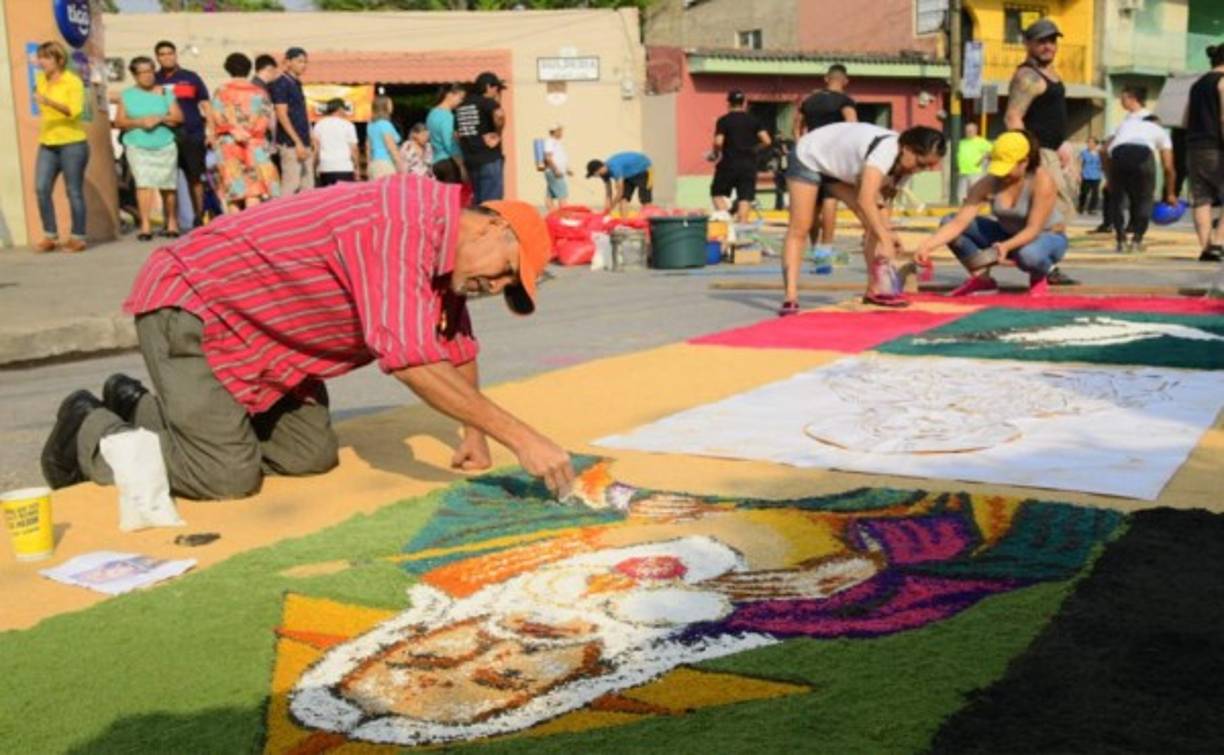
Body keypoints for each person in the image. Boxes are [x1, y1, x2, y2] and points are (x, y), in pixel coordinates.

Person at [39, 177, 576, 501]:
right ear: (490, 229)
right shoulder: (400, 224)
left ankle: (146, 408)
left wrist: (474, 435)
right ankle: (87, 426)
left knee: (309, 454)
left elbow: (455, 342)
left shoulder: (447, 255)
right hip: (195, 308)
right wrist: (522, 438)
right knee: (225, 477)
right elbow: (412, 360)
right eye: (506, 272)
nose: (495, 287)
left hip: (266, 343)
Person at [781, 124, 946, 312]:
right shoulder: (885, 151)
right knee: (800, 226)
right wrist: (884, 236)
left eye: (928, 166)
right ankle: (790, 296)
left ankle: (875, 290)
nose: (921, 170)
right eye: (921, 163)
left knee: (873, 226)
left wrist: (889, 233)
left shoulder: (905, 167)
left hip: (839, 168)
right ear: (907, 149)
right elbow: (866, 199)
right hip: (810, 156)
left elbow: (881, 206)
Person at [914, 131, 1067, 298]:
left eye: (1007, 168)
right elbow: (958, 223)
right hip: (1006, 236)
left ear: (1024, 162)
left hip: (1045, 238)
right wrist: (927, 246)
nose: (1002, 175)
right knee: (948, 220)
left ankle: (1039, 276)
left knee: (1028, 255)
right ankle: (982, 279)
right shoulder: (990, 182)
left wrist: (1006, 246)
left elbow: (1033, 229)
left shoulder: (1041, 180)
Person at [1004, 18, 1077, 285]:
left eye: (1052, 40)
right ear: (1027, 43)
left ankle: (1045, 266)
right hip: (1038, 155)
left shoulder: (1050, 74)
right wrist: (1030, 158)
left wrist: (1062, 145)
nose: (1048, 46)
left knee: (1058, 213)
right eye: (1041, 41)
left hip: (1050, 151)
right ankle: (1043, 267)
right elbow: (1013, 118)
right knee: (1050, 214)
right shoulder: (1028, 76)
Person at [113, 56, 183, 242]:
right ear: (135, 76)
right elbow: (119, 121)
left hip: (165, 143)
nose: (147, 76)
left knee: (168, 184)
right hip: (137, 144)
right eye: (143, 72)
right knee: (143, 183)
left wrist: (159, 118)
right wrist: (139, 122)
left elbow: (178, 117)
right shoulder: (127, 95)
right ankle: (145, 225)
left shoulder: (164, 93)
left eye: (150, 71)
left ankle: (171, 222)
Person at [31, 41, 89, 253]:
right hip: (48, 142)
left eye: (46, 57)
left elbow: (75, 111)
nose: (42, 61)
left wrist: (48, 101)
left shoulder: (72, 81)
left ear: (59, 59)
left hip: (72, 143)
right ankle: (50, 235)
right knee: (41, 188)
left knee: (73, 191)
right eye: (40, 57)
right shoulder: (40, 79)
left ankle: (78, 236)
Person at [793, 64, 857, 255]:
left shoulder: (809, 101)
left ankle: (814, 246)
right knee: (830, 198)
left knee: (813, 202)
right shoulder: (845, 101)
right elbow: (853, 126)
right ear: (845, 81)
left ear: (825, 79)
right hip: (833, 156)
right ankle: (826, 247)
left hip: (809, 155)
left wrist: (800, 145)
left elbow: (796, 126)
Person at [1105, 90, 1176, 254]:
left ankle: (1121, 240)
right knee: (1145, 199)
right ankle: (1137, 240)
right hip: (1142, 155)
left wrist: (1109, 178)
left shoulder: (1125, 124)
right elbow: (1168, 167)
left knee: (1117, 199)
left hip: (1119, 155)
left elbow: (1103, 150)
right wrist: (1170, 193)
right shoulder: (1160, 131)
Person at [211, 53, 279, 213]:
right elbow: (265, 119)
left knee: (234, 190)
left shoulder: (221, 91)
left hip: (228, 144)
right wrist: (249, 133)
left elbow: (216, 116)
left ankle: (234, 230)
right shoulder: (260, 92)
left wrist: (233, 130)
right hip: (254, 143)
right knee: (253, 189)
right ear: (249, 70)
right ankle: (250, 228)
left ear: (228, 69)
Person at [154, 41, 211, 228]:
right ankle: (170, 221)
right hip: (164, 135)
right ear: (157, 57)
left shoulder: (191, 77)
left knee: (195, 178)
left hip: (192, 134)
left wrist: (211, 131)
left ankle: (199, 218)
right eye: (162, 54)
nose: (167, 57)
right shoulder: (153, 80)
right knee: (166, 180)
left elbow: (205, 105)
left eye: (170, 53)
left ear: (176, 54)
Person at [1186, 42, 1224, 262]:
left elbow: (1185, 117)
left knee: (1202, 198)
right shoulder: (1222, 82)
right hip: (1217, 146)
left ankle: (1205, 247)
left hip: (1195, 146)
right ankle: (1218, 243)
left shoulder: (1197, 84)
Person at [710, 90, 771, 222]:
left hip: (728, 164)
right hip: (749, 165)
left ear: (729, 103)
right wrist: (755, 149)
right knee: (745, 197)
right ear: (743, 103)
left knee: (717, 193)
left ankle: (725, 219)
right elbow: (767, 141)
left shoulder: (724, 121)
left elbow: (718, 142)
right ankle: (742, 226)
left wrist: (715, 153)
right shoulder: (754, 120)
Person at [456, 72, 507, 204]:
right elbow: (499, 115)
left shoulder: (462, 105)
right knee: (492, 204)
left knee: (478, 203)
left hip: (471, 160)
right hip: (489, 158)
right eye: (497, 88)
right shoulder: (488, 102)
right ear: (489, 86)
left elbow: (456, 133)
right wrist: (498, 133)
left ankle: (478, 224)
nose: (497, 92)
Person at [270, 46, 313, 195]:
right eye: (300, 61)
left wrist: (310, 136)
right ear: (287, 62)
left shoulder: (297, 83)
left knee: (307, 186)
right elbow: (282, 114)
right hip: (290, 143)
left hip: (304, 141)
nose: (304, 65)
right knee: (291, 184)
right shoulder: (281, 83)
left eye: (305, 62)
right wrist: (297, 142)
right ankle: (280, 216)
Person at [586, 152, 653, 217]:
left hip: (643, 169)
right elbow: (608, 193)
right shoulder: (603, 174)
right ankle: (624, 221)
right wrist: (607, 207)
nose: (598, 176)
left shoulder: (615, 168)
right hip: (628, 174)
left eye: (596, 174)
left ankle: (648, 220)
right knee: (623, 198)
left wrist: (611, 207)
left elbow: (619, 192)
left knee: (644, 198)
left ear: (600, 168)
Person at [311, 98, 360, 187]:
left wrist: (314, 167)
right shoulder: (348, 125)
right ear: (340, 109)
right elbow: (354, 149)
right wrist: (357, 167)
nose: (345, 112)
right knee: (344, 198)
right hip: (344, 168)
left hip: (325, 168)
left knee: (328, 199)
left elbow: (316, 149)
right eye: (344, 109)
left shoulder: (318, 125)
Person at [427, 82, 467, 186]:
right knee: (453, 199)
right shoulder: (447, 116)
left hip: (436, 162)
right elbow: (450, 143)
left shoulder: (432, 113)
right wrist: (461, 166)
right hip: (449, 163)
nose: (461, 102)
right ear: (449, 94)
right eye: (460, 98)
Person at [367, 96, 403, 179]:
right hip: (386, 163)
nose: (392, 106)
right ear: (384, 106)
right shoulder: (385, 124)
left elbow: (368, 147)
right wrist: (400, 165)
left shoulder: (371, 125)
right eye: (390, 104)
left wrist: (369, 165)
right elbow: (391, 147)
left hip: (374, 163)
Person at [956, 123, 992, 203]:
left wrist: (982, 159)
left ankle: (975, 211)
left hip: (976, 172)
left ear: (976, 131)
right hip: (963, 172)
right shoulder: (962, 142)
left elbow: (992, 151)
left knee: (975, 194)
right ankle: (964, 211)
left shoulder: (981, 141)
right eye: (967, 131)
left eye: (970, 131)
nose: (968, 133)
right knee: (961, 196)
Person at [541, 123, 572, 211]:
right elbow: (548, 157)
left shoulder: (556, 142)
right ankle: (563, 216)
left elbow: (559, 157)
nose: (562, 133)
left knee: (549, 195)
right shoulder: (550, 142)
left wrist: (567, 169)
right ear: (555, 131)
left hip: (554, 172)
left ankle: (552, 215)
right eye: (560, 131)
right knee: (563, 194)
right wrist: (555, 170)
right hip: (554, 172)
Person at [1077, 136, 1103, 214]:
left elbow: (1103, 163)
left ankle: (1092, 209)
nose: (1088, 144)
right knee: (1084, 193)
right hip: (1086, 175)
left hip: (1096, 176)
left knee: (1095, 194)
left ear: (1095, 144)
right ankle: (1081, 207)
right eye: (1088, 142)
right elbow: (1079, 163)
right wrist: (1078, 174)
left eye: (1091, 142)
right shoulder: (1084, 152)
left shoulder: (1100, 153)